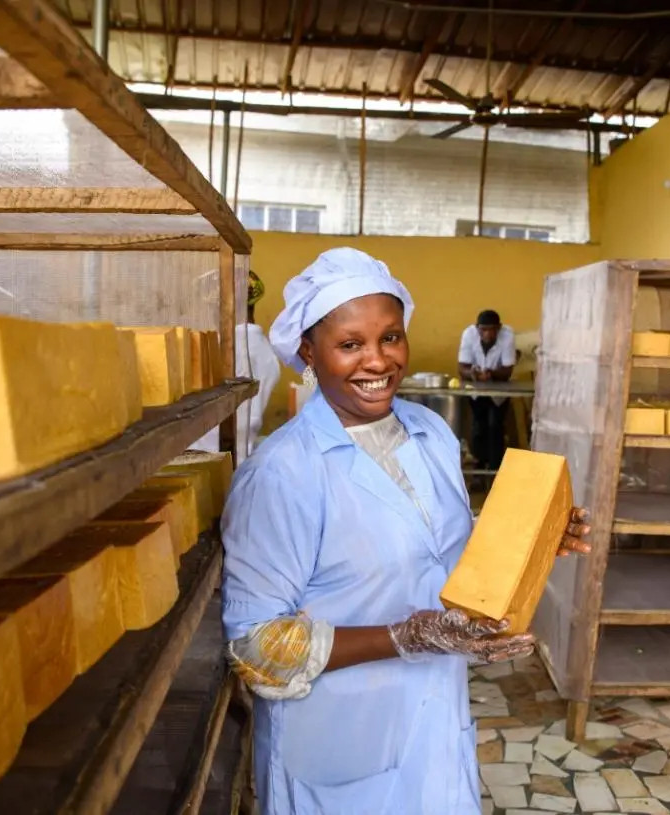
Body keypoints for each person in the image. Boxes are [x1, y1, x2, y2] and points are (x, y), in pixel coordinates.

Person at [220, 247, 590, 815]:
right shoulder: (283, 474)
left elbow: (442, 554)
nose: (377, 361)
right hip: (340, 745)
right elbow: (256, 647)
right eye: (350, 345)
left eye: (390, 338)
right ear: (308, 352)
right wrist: (403, 638)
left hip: (435, 726)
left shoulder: (428, 431)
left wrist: (532, 542)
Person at [193, 270, 281, 461]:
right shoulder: (265, 350)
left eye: (211, 305)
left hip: (213, 458)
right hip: (241, 455)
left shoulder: (226, 348)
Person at [458, 309, 515, 470]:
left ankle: (495, 470)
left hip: (499, 390)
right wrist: (473, 373)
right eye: (483, 329)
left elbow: (507, 371)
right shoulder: (469, 335)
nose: (488, 333)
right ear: (477, 328)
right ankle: (479, 469)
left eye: (492, 329)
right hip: (476, 389)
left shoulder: (508, 335)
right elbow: (462, 367)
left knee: (496, 426)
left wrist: (490, 374)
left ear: (499, 328)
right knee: (479, 426)